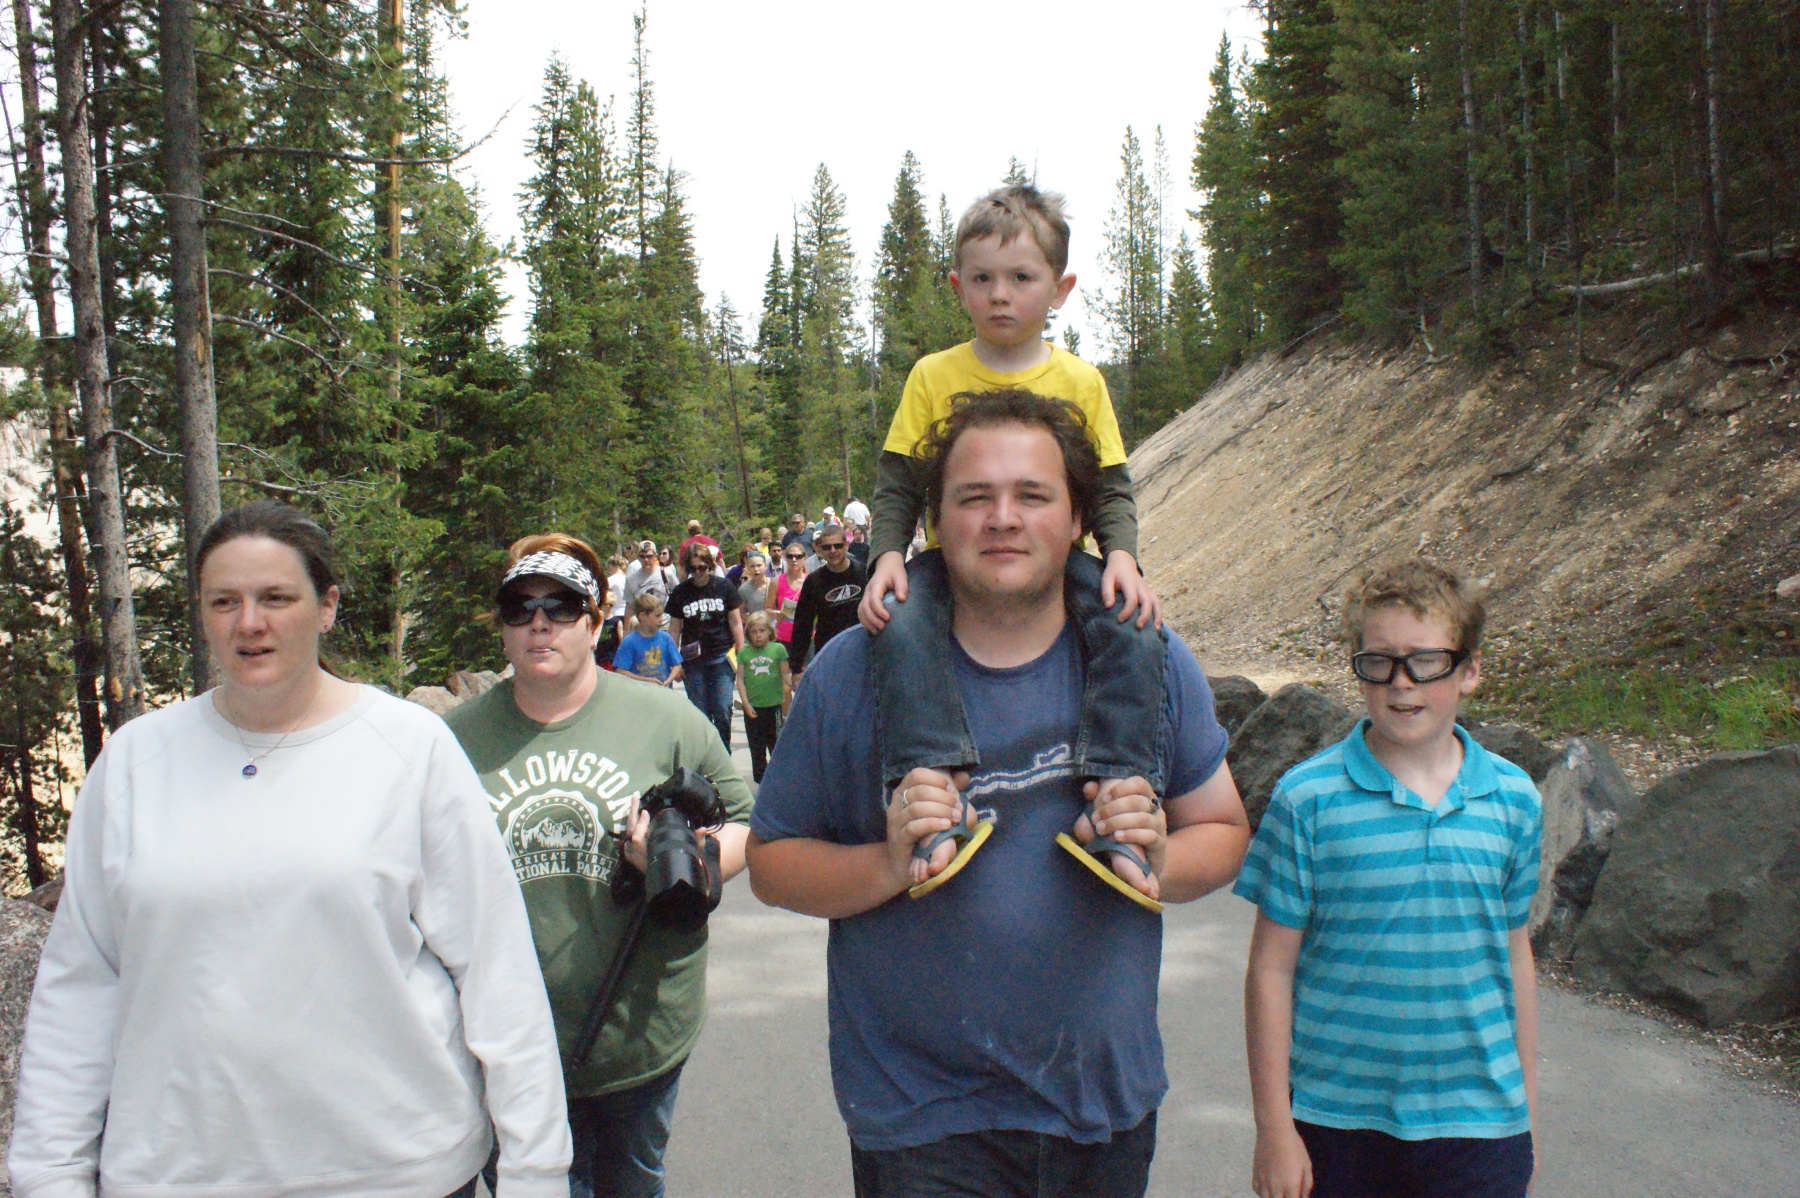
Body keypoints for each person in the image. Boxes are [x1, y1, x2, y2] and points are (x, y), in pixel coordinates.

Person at [746, 391, 1250, 1198]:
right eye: (974, 497)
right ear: (935, 520)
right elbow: (772, 864)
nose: (1003, 519)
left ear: (1078, 516)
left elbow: (1223, 830)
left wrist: (1162, 855)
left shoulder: (1148, 657)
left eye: (1032, 495)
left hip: (1102, 1108)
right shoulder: (853, 671)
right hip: (920, 1119)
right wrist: (887, 863)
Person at [9, 500, 571, 1198]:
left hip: (395, 1170)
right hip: (178, 1174)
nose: (249, 623)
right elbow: (80, 988)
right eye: (225, 601)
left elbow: (496, 970)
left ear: (326, 606)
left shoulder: (408, 748)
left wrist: (536, 1171)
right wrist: (49, 1174)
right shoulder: (134, 763)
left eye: (276, 598)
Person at [855, 184, 1166, 899]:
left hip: (1061, 565)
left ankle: (1118, 799)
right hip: (953, 563)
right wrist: (888, 557)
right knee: (900, 624)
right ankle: (931, 792)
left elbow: (1111, 487)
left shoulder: (1081, 381)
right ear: (958, 286)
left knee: (1134, 629)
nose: (1001, 295)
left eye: (1022, 277)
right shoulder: (932, 376)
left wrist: (1121, 556)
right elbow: (899, 482)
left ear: (1060, 288)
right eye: (984, 278)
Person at [446, 533, 754, 1198]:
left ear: (594, 623)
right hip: (505, 1046)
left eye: (559, 607)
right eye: (519, 608)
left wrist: (690, 860)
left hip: (639, 1033)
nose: (538, 623)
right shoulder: (451, 741)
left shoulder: (665, 719)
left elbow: (746, 821)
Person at [1236, 559, 1541, 1198]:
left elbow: (1515, 954)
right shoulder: (1307, 798)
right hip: (1334, 1121)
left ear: (1470, 670)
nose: (1401, 683)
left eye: (1425, 661)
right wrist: (1274, 1129)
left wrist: (1525, 1113)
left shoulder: (1514, 799)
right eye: (1379, 661)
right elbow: (1271, 969)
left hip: (1479, 1125)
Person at [667, 540, 746, 746]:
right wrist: (674, 661)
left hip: (721, 656)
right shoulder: (680, 592)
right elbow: (674, 629)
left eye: (701, 567)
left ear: (709, 565)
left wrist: (741, 652)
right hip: (693, 660)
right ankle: (706, 756)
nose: (697, 573)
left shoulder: (724, 587)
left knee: (722, 708)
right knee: (700, 713)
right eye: (692, 569)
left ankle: (723, 752)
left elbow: (736, 622)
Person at [788, 523, 866, 674]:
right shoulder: (813, 581)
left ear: (846, 545)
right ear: (819, 549)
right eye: (827, 547)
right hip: (829, 655)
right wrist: (796, 667)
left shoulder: (864, 573)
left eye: (838, 546)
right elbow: (802, 625)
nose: (833, 551)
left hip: (863, 652)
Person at [735, 611, 792, 784]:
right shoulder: (744, 653)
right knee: (756, 746)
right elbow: (740, 679)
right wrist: (745, 703)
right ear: (748, 634)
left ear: (770, 631)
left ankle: (778, 779)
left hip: (774, 707)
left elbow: (785, 674)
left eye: (762, 631)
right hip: (753, 708)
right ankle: (761, 781)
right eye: (754, 632)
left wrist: (796, 684)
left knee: (776, 744)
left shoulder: (778, 649)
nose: (758, 635)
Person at [614, 595, 684, 687]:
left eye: (661, 615)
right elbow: (621, 671)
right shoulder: (629, 641)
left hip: (663, 691)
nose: (661, 619)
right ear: (643, 616)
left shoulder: (666, 638)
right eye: (657, 616)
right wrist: (646, 681)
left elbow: (677, 665)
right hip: (639, 692)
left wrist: (668, 681)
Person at [622, 540, 674, 632]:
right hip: (642, 626)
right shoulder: (631, 579)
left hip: (664, 623)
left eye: (649, 556)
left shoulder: (666, 574)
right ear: (638, 558)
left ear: (656, 557)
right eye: (642, 556)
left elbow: (678, 595)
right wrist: (626, 632)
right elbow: (629, 607)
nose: (646, 560)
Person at [767, 540, 809, 648]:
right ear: (785, 558)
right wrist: (776, 614)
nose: (794, 560)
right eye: (790, 556)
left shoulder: (811, 581)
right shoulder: (776, 582)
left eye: (798, 556)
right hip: (783, 636)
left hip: (806, 635)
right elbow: (767, 609)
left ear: (805, 558)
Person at [599, 554, 629, 668]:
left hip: (614, 613)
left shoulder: (610, 581)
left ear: (611, 566)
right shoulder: (627, 579)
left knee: (612, 642)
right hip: (626, 613)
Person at [738, 549, 771, 614]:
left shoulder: (774, 584)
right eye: (752, 566)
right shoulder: (743, 589)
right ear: (747, 568)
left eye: (759, 565)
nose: (756, 569)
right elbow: (741, 614)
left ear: (766, 566)